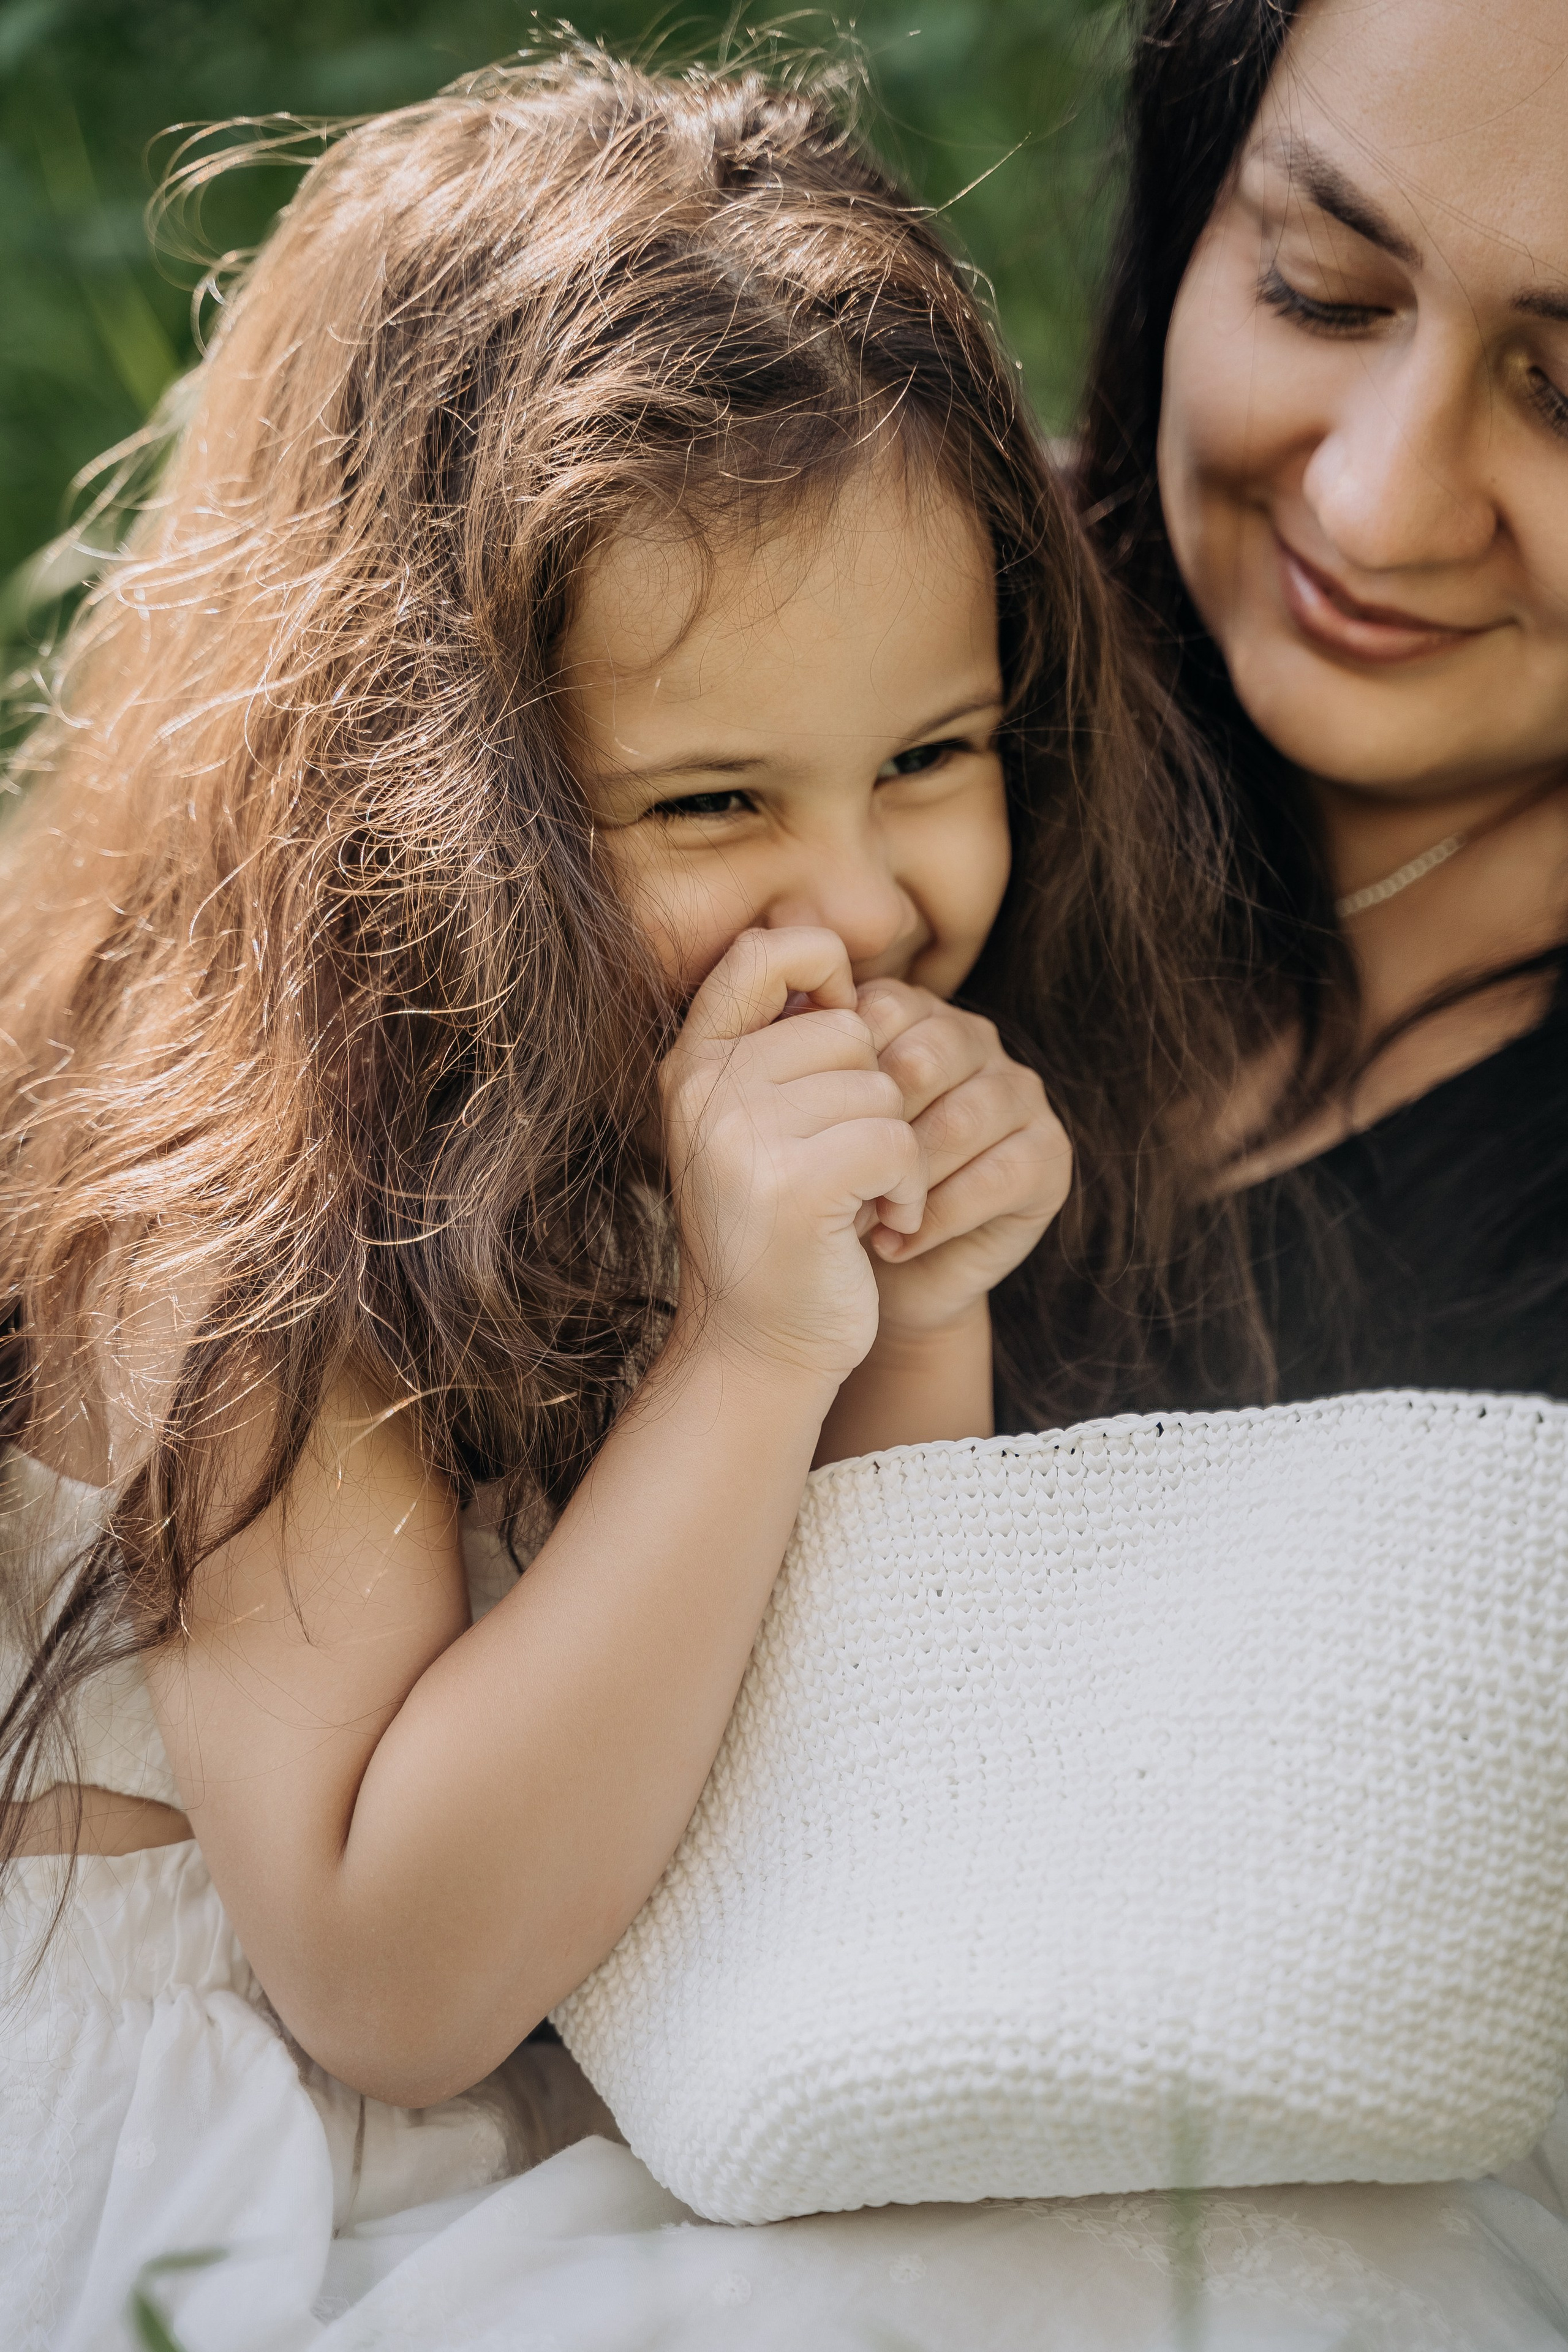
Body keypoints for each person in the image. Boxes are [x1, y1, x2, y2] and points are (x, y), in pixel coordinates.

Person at [0, 47, 1191, 2348]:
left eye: (932, 758)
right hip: (226, 2185)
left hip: (577, 2084)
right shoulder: (246, 1215)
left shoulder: (672, 1114)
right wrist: (755, 1356)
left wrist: (900, 1311)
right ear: (419, 794)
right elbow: (387, 1975)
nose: (856, 902)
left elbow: (846, 1783)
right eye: (713, 803)